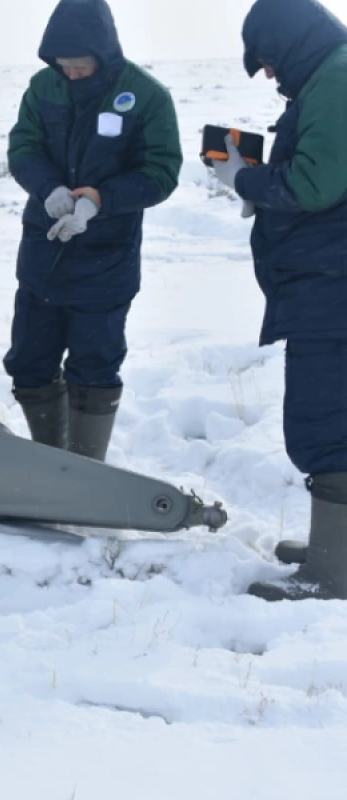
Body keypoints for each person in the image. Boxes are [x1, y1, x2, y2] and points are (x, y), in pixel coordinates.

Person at [4, 0, 181, 463]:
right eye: (64, 66)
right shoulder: (43, 88)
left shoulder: (145, 96)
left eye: (79, 66)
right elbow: (23, 147)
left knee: (94, 365)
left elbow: (161, 172)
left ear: (103, 54)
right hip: (44, 252)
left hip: (107, 258)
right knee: (28, 361)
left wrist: (99, 200)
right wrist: (49, 189)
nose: (72, 74)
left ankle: (85, 470)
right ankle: (51, 460)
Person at [212, 0, 347, 601]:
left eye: (267, 63)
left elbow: (316, 184)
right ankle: (333, 546)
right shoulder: (329, 77)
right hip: (327, 277)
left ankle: (333, 573)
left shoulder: (338, 80)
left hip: (333, 282)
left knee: (326, 423)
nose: (268, 76)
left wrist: (244, 179)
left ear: (289, 45)